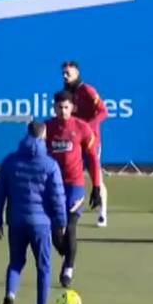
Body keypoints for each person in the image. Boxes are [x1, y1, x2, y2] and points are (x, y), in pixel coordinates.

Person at [0, 121, 66, 304]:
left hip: (16, 220)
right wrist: (61, 221)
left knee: (15, 262)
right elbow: (57, 196)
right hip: (41, 223)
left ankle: (10, 295)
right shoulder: (50, 164)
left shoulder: (10, 161)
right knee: (44, 266)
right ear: (43, 136)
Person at [46, 90, 102, 288]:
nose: (63, 111)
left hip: (74, 185)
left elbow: (93, 158)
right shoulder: (48, 128)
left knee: (70, 225)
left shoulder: (82, 128)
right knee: (55, 232)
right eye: (59, 107)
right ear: (54, 108)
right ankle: (66, 251)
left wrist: (96, 186)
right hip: (52, 185)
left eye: (66, 107)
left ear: (73, 108)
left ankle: (68, 268)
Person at [62, 61, 109, 227]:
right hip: (74, 142)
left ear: (77, 74)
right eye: (64, 73)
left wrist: (89, 126)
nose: (65, 76)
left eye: (68, 73)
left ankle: (102, 212)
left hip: (91, 141)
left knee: (96, 176)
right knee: (70, 176)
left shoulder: (87, 90)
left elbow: (104, 112)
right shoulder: (66, 94)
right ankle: (69, 209)